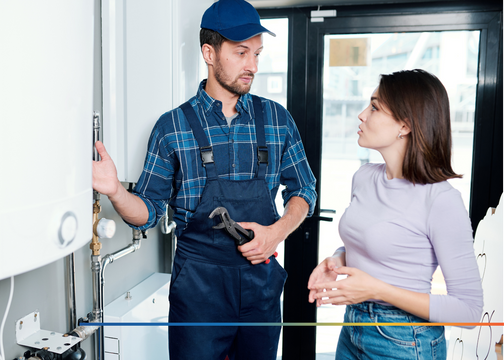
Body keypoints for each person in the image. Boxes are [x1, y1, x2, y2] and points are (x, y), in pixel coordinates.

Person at [92, 0, 317, 359]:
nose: (252, 66)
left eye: (257, 54)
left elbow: (304, 189)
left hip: (261, 290)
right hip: (198, 296)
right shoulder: (172, 127)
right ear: (209, 53)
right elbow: (148, 211)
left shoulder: (277, 119)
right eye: (242, 52)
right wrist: (116, 191)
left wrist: (277, 232)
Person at [307, 69, 483, 359]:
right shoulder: (364, 177)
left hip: (405, 338)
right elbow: (376, 247)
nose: (362, 115)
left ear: (405, 125)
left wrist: (377, 289)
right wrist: (336, 261)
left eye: (375, 107)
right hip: (353, 327)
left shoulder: (441, 200)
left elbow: (469, 311)